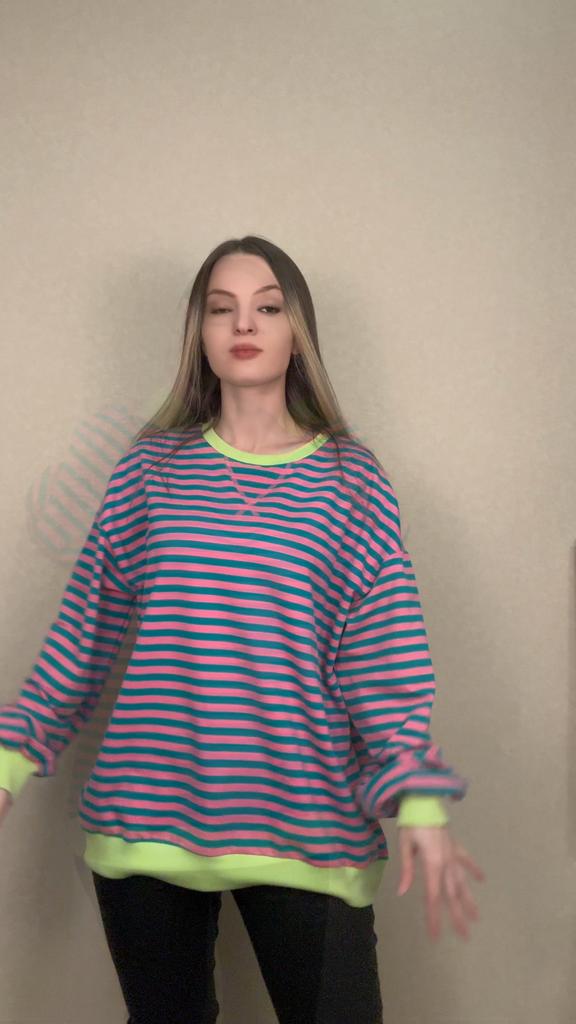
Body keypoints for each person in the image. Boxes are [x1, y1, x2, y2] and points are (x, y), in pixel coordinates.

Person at [0, 235, 484, 1024]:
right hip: (148, 812)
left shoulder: (352, 480)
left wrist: (420, 800)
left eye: (267, 307)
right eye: (221, 309)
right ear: (200, 333)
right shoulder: (151, 470)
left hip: (309, 821)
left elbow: (382, 655)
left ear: (299, 332)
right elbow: (85, 629)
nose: (244, 324)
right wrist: (11, 757)